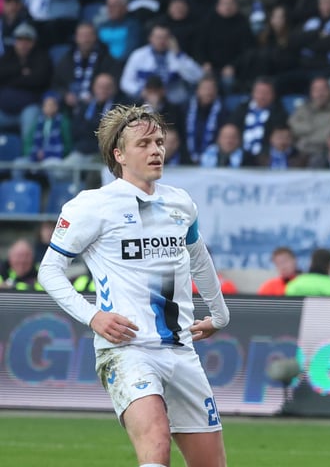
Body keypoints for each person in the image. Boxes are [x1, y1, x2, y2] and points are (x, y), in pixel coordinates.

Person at [37, 104, 230, 467]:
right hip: (128, 350)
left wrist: (220, 316)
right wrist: (93, 317)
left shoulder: (180, 203)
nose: (156, 150)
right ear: (119, 155)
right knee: (156, 443)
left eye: (159, 142)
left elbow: (199, 259)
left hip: (181, 351)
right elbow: (49, 271)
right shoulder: (92, 206)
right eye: (144, 144)